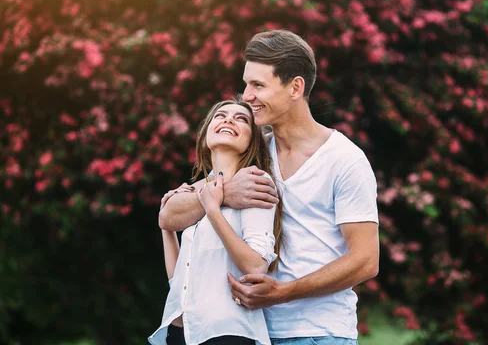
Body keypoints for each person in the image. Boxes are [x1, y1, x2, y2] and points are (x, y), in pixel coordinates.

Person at [159, 29, 379, 345]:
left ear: (295, 87)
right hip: (254, 332)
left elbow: (366, 260)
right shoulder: (254, 151)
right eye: (246, 83)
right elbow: (172, 215)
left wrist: (282, 293)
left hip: (317, 334)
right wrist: (227, 194)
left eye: (258, 85)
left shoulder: (344, 159)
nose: (246, 95)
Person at [149, 99, 283, 345]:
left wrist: (213, 210)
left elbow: (255, 267)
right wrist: (166, 228)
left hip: (227, 332)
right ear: (204, 136)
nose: (229, 119)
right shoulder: (196, 192)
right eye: (220, 116)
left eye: (241, 118)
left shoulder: (255, 182)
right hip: (181, 331)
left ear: (252, 141)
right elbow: (180, 278)